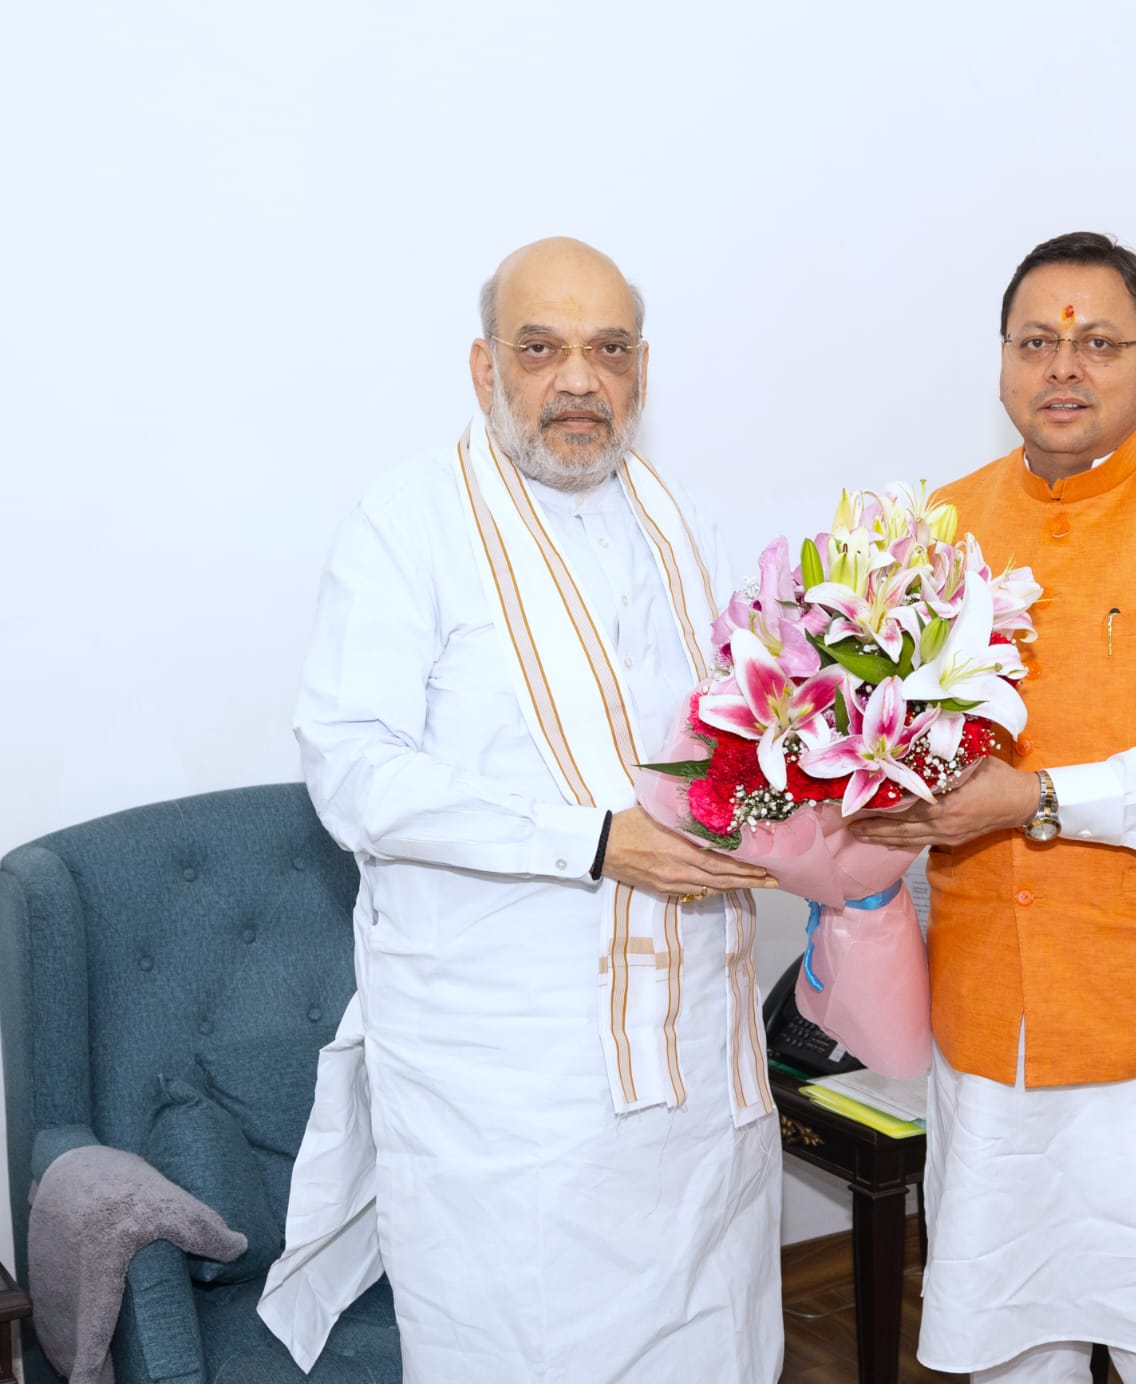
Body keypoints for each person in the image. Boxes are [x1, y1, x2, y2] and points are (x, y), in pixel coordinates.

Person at [256, 237, 784, 1382]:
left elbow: (736, 730)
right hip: (509, 1080)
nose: (579, 381)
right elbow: (351, 766)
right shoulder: (408, 522)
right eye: (541, 349)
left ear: (642, 370)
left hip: (696, 1049)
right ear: (485, 367)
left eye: (609, 350)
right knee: (526, 1344)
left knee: (712, 1335)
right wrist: (591, 840)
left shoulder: (683, 521)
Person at [852, 231, 1136, 1383]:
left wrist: (1042, 798)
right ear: (1001, 363)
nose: (1063, 366)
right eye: (1034, 342)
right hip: (994, 1019)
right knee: (1012, 1343)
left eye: (1098, 342)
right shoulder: (937, 529)